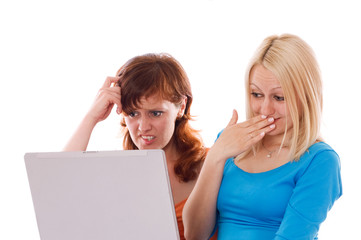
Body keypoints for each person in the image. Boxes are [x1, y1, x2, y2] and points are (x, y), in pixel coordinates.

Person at [183, 34, 342, 240]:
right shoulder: (229, 142)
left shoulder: (320, 160)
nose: (265, 109)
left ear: (306, 97)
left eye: (279, 97)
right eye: (256, 94)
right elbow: (195, 234)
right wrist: (216, 156)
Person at [64, 53, 217, 240]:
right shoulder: (118, 172)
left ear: (181, 106)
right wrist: (91, 118)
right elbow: (59, 193)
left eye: (155, 113)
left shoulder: (213, 163)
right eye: (133, 113)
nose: (143, 127)